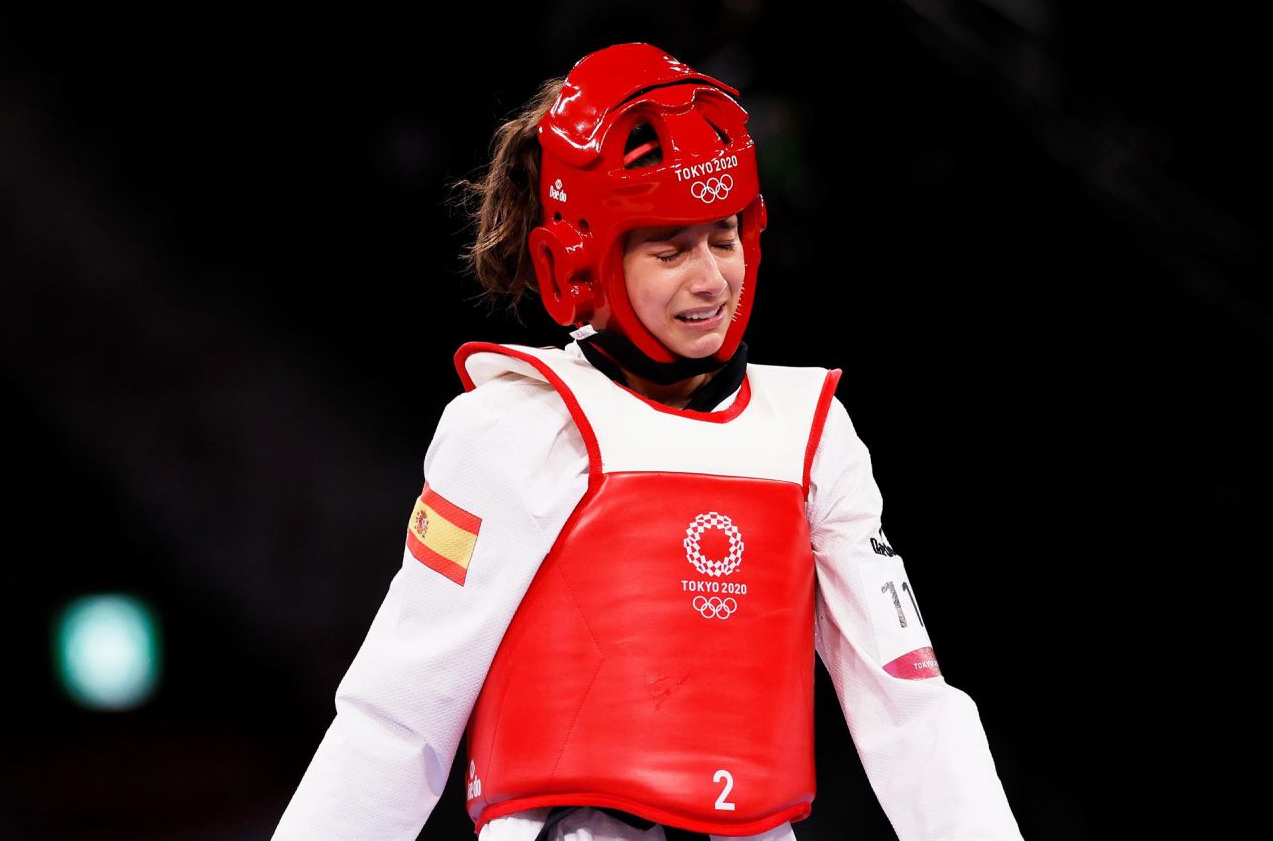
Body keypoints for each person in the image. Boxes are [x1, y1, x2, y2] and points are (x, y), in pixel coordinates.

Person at [272, 43, 1024, 841]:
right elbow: (396, 719)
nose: (711, 280)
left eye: (723, 237)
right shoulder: (515, 426)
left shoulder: (812, 432)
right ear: (582, 261)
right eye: (670, 249)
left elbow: (911, 707)